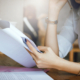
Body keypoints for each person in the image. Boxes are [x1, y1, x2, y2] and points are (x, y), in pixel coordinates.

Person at [26, 0, 80, 75]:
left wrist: (58, 63)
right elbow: (51, 55)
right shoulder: (75, 13)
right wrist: (53, 10)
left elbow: (53, 61)